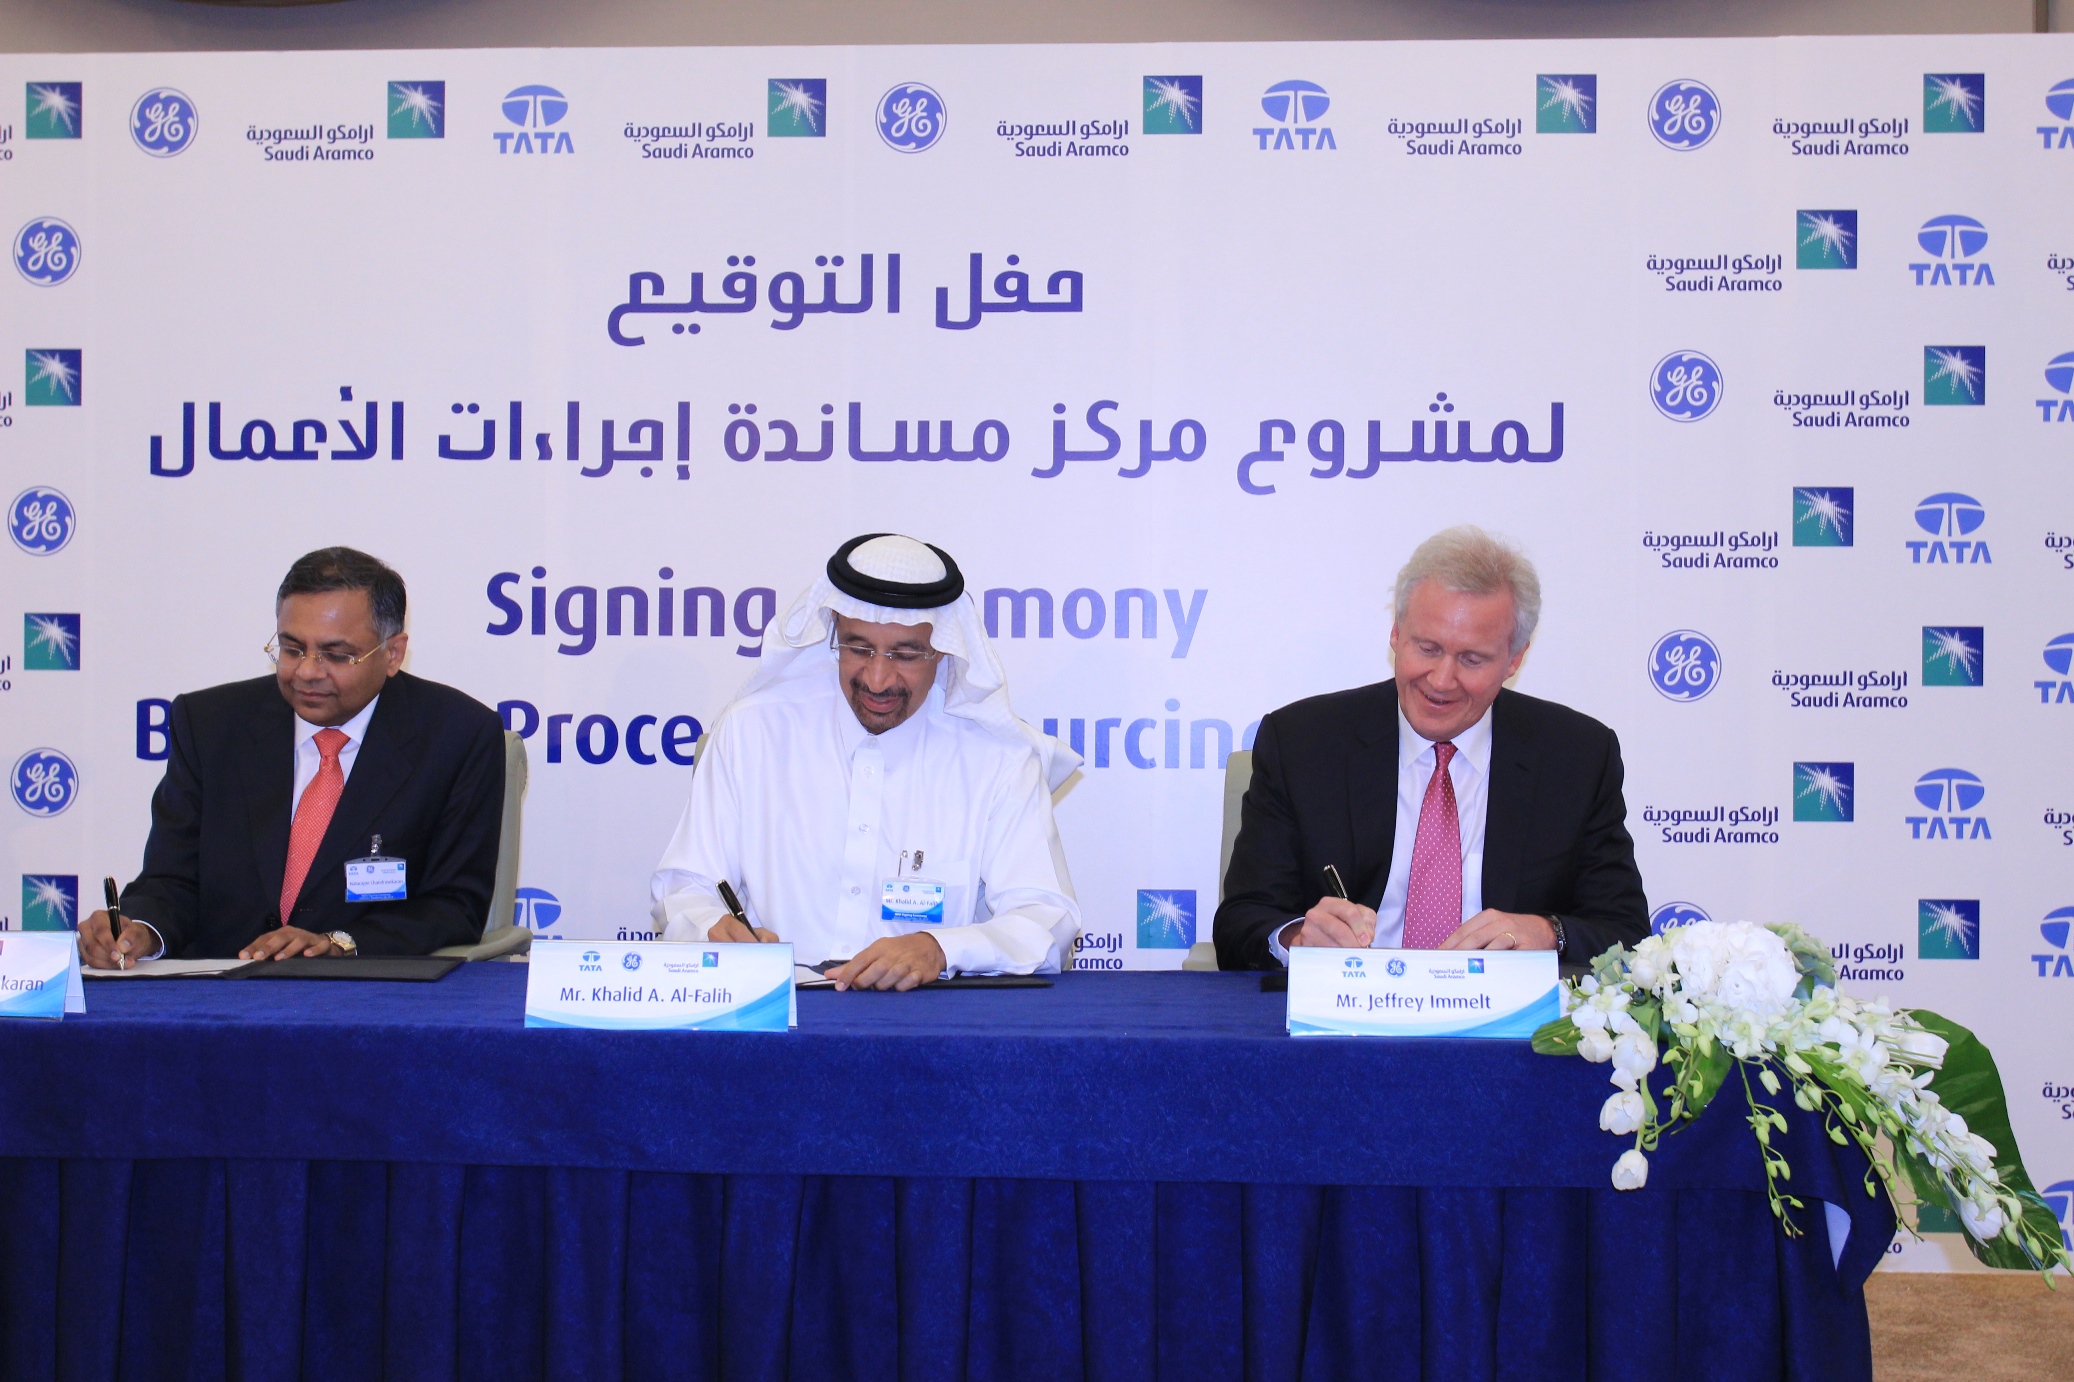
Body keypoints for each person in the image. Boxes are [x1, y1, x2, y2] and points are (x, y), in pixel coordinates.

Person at [650, 533, 1082, 991]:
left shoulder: (996, 757)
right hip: (778, 1012)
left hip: (928, 1020)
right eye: (858, 649)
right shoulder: (753, 732)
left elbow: (1047, 921)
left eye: (905, 655)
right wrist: (711, 928)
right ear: (834, 631)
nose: (877, 679)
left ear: (942, 649)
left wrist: (939, 949)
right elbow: (684, 889)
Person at [1215, 525, 1647, 969]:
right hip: (1350, 1004)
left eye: (1472, 659)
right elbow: (1240, 922)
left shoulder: (1577, 758)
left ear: (1514, 660)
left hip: (1502, 1009)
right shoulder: (1303, 744)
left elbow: (1626, 933)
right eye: (1427, 648)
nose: (1441, 681)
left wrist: (1549, 933)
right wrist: (1298, 939)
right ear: (1396, 633)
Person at [78, 547, 506, 966]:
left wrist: (338, 944)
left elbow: (454, 904)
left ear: (392, 653)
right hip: (217, 990)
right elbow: (171, 880)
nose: (307, 671)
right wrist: (139, 930)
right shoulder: (210, 725)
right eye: (292, 649)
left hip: (368, 991)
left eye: (336, 655)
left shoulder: (457, 736)